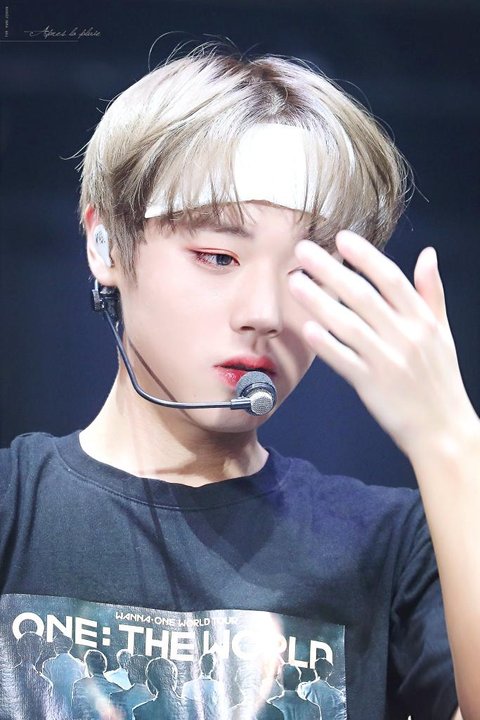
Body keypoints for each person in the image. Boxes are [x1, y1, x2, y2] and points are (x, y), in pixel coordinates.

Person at [0, 42, 478, 720]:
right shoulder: (13, 507)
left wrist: (452, 442)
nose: (265, 313)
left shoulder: (393, 548)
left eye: (306, 272)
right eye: (218, 256)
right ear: (105, 244)